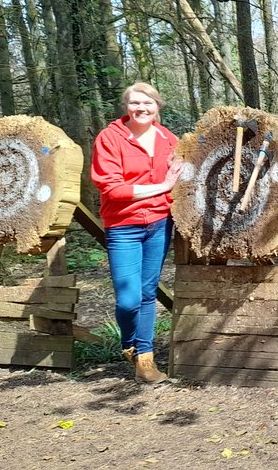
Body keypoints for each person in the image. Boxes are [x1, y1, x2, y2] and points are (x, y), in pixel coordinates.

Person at [91, 82, 182, 383]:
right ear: (126, 106)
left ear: (157, 106)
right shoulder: (110, 138)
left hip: (159, 223)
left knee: (147, 292)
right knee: (128, 300)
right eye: (135, 103)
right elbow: (113, 189)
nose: (141, 109)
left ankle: (145, 359)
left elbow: (183, 175)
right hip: (123, 226)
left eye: (147, 103)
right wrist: (162, 187)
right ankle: (128, 343)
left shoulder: (169, 139)